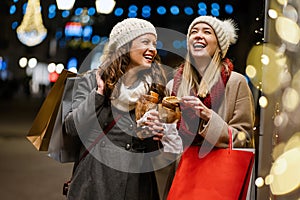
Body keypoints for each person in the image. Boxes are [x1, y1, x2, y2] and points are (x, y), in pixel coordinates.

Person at [63, 18, 168, 200]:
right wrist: (99, 94)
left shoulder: (154, 89)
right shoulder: (92, 80)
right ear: (125, 46)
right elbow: (72, 127)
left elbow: (151, 149)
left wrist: (155, 134)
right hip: (95, 179)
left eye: (154, 43)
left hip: (138, 183)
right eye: (145, 42)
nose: (153, 48)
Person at [164, 15, 256, 198]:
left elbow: (243, 139)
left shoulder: (236, 83)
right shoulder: (172, 86)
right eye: (193, 32)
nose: (198, 36)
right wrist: (160, 133)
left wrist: (208, 117)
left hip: (219, 180)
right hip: (181, 177)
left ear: (219, 46)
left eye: (207, 32)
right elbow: (169, 145)